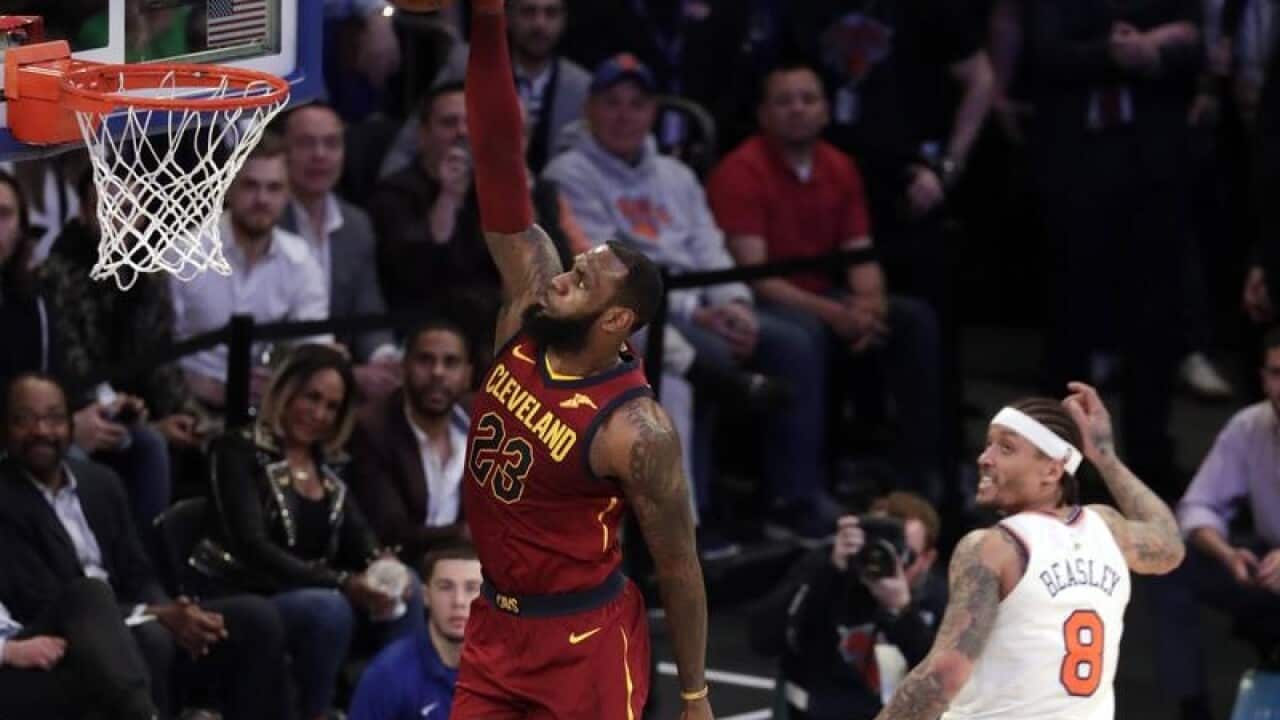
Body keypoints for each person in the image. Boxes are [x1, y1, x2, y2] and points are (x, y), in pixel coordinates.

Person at [453, 1, 711, 718]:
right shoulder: (527, 303)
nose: (561, 277)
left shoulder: (639, 429)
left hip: (584, 641)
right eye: (573, 266)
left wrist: (694, 696)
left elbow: (679, 570)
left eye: (582, 280)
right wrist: (489, 22)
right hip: (495, 623)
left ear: (617, 319)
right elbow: (499, 155)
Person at [871, 383, 1184, 720]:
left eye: (1005, 448)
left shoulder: (994, 547)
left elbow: (945, 672)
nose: (984, 458)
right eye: (988, 444)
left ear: (1052, 470)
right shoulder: (1107, 529)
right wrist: (1105, 456)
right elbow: (1169, 545)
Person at [708, 63, 944, 501]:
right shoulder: (739, 171)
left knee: (913, 319)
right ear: (763, 114)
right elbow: (756, 277)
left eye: (808, 99)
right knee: (806, 334)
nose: (797, 109)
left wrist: (868, 309)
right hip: (766, 297)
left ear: (826, 111)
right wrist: (838, 315)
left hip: (822, 293)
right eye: (784, 101)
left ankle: (920, 479)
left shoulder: (840, 166)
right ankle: (801, 492)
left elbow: (860, 252)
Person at [0, 373, 288, 720]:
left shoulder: (101, 483)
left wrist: (173, 611)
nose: (42, 431)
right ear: (5, 429)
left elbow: (138, 570)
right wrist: (157, 617)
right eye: (24, 420)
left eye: (54, 418)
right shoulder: (4, 498)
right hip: (73, 633)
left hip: (136, 616)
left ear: (71, 425)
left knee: (257, 618)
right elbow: (44, 599)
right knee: (144, 632)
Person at [188, 343, 426, 720]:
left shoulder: (328, 467)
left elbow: (361, 539)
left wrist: (383, 566)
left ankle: (397, 708)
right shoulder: (235, 450)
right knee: (327, 607)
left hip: (315, 593)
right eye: (310, 397)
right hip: (245, 595)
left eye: (331, 406)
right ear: (285, 391)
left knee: (408, 584)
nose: (319, 414)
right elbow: (252, 546)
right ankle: (315, 713)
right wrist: (343, 582)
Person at [1152, 327, 1280, 720]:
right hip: (1268, 568)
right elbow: (1198, 506)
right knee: (1171, 562)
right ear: (1263, 378)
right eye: (1277, 373)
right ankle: (1193, 709)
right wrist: (1225, 553)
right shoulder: (1250, 426)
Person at [750, 491, 947, 719]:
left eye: (904, 554)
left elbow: (948, 685)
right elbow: (762, 639)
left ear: (927, 559)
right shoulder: (825, 570)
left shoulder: (939, 599)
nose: (886, 561)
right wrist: (829, 574)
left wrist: (901, 612)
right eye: (878, 546)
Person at [350, 320, 473, 566]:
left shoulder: (487, 425)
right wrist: (462, 534)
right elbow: (390, 531)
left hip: (473, 566)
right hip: (405, 568)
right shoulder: (373, 428)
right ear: (403, 367)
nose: (438, 372)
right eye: (425, 360)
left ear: (467, 376)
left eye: (450, 363)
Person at [348, 543, 483, 720]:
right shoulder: (387, 675)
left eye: (471, 588)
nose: (459, 601)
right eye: (445, 587)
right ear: (426, 596)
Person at [0, 578, 158, 720]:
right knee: (94, 677)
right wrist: (8, 651)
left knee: (89, 595)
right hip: (7, 655)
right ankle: (144, 713)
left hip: (17, 633)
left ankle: (143, 711)